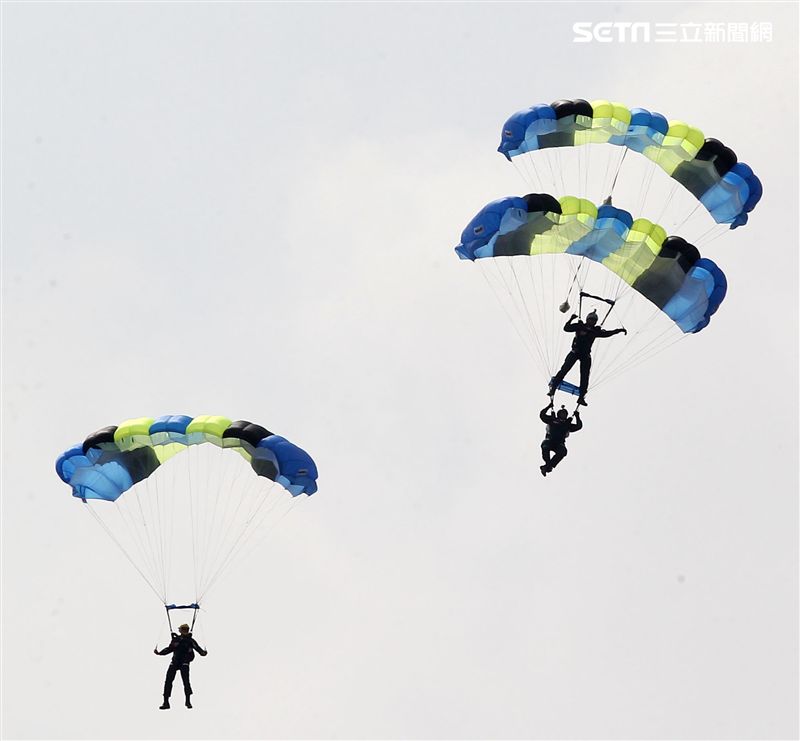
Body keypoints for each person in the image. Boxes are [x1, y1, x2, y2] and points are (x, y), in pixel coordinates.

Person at [549, 310, 626, 406]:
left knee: (585, 376)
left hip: (585, 355)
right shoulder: (579, 326)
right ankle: (553, 388)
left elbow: (607, 334)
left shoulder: (595, 331)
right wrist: (571, 319)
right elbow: (566, 328)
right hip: (575, 352)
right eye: (591, 320)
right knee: (564, 370)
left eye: (594, 321)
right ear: (587, 319)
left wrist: (619, 330)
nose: (592, 322)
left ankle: (581, 397)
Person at [154, 623, 208, 709]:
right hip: (175, 662)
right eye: (183, 629)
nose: (184, 631)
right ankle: (166, 702)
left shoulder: (190, 641)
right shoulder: (177, 640)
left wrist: (203, 653)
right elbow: (169, 649)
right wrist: (160, 653)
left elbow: (198, 649)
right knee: (168, 680)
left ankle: (188, 701)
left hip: (184, 663)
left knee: (186, 681)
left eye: (185, 629)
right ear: (180, 630)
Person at [539, 402, 582, 476]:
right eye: (562, 413)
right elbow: (542, 415)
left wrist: (577, 416)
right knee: (545, 446)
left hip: (559, 444)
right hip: (550, 441)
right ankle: (548, 465)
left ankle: (548, 466)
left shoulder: (567, 424)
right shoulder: (552, 419)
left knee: (563, 451)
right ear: (558, 414)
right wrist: (548, 407)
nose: (563, 415)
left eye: (565, 414)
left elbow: (579, 426)